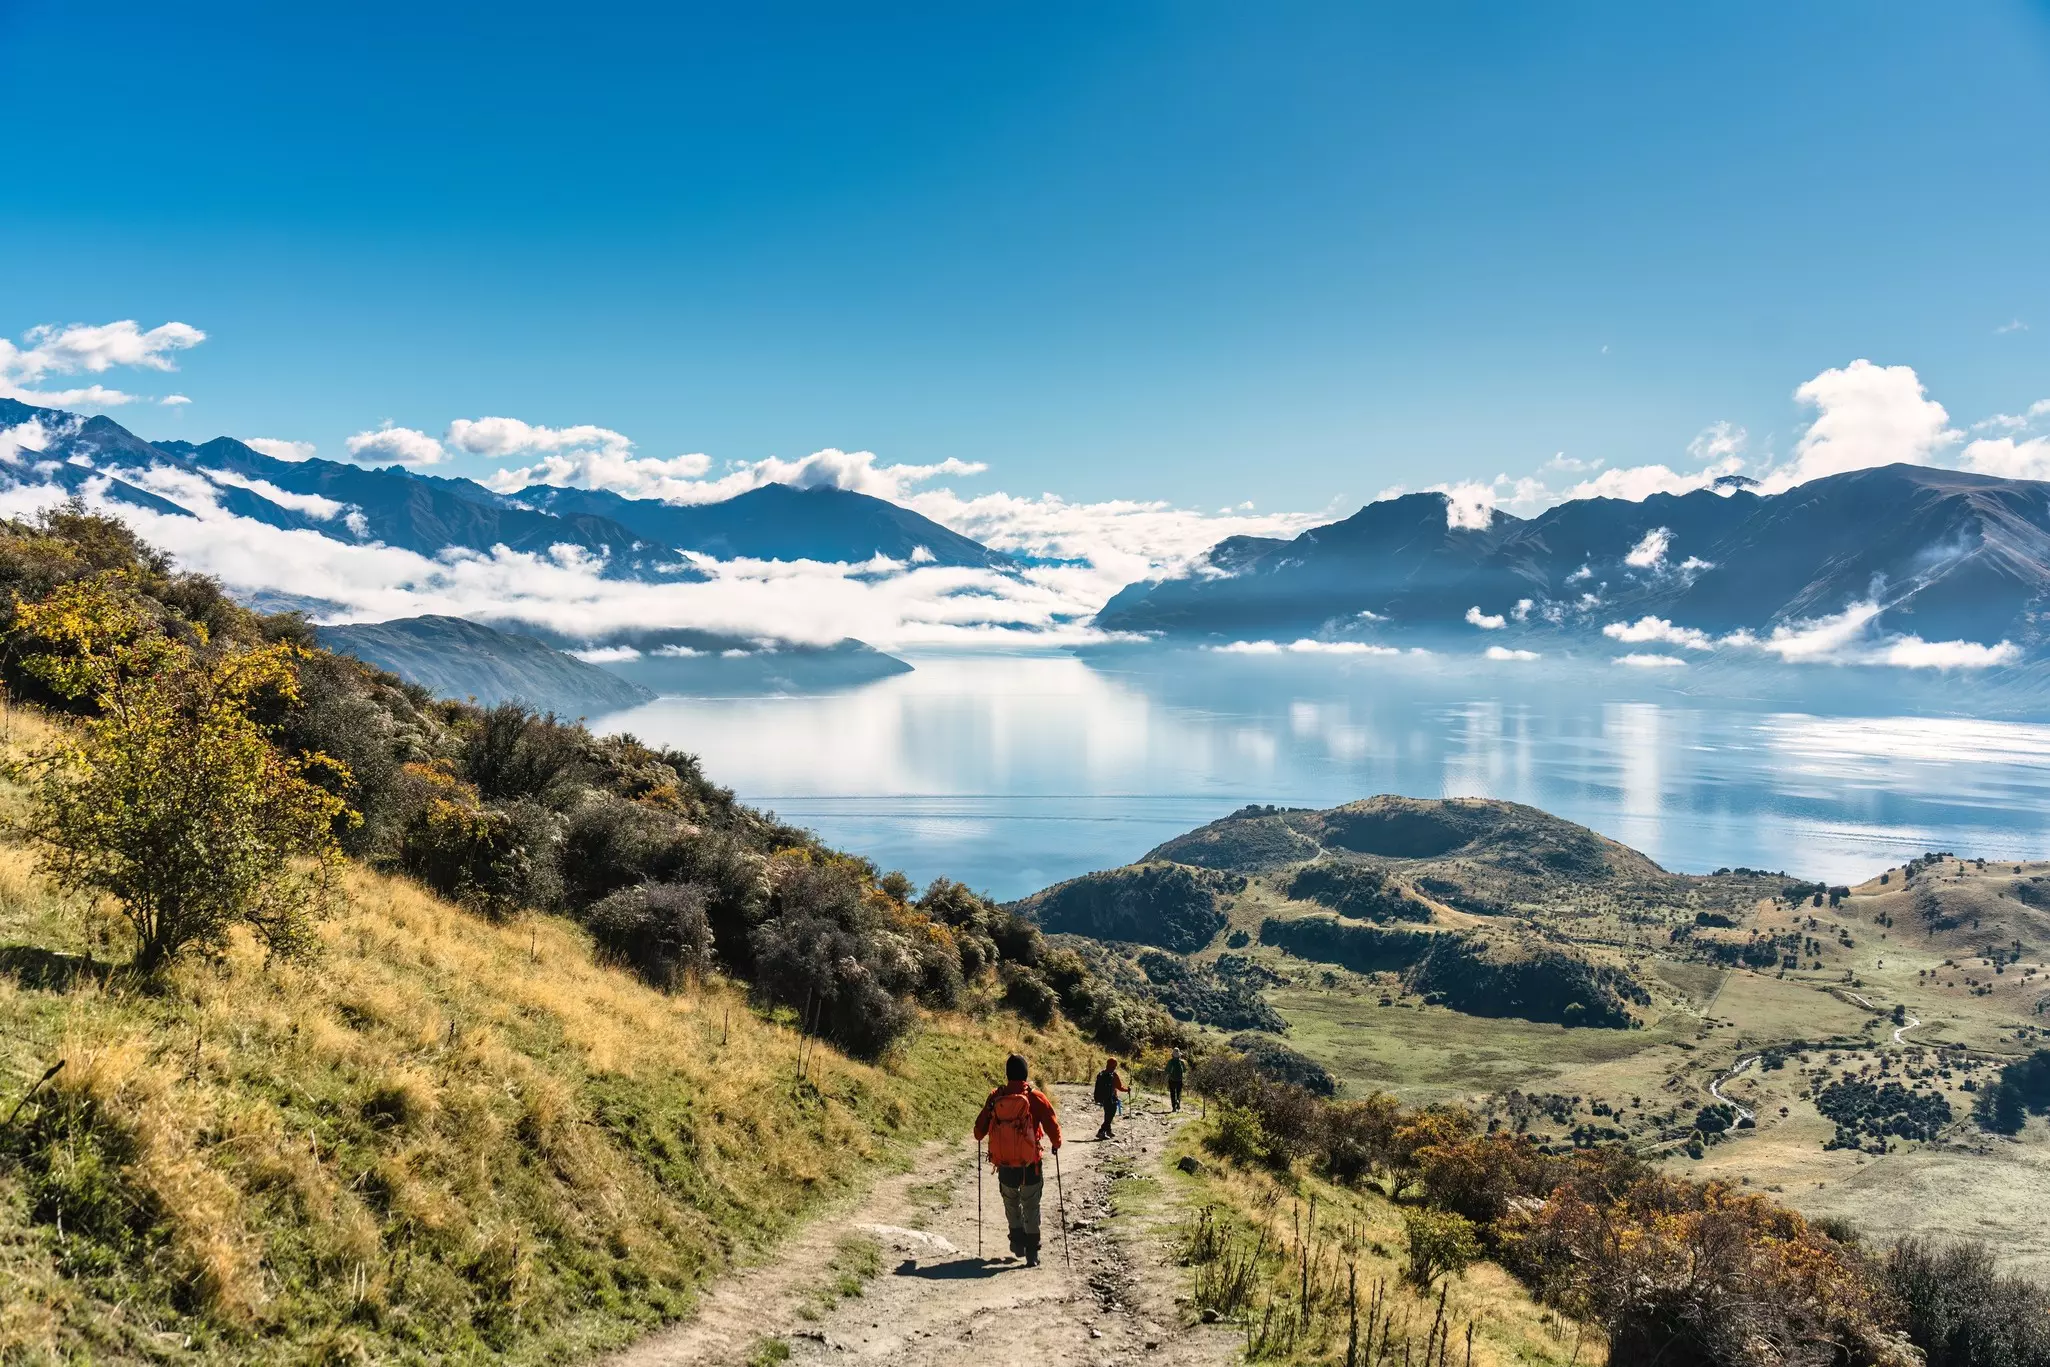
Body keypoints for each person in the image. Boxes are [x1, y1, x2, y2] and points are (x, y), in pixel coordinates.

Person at [973, 1053, 1062, 1266]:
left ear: (1007, 1074)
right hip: (1031, 1164)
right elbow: (1052, 1125)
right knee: (1031, 1205)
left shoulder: (996, 1096)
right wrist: (1056, 1144)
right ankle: (1032, 1252)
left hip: (1004, 1164)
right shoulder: (1035, 1097)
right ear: (1026, 1073)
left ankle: (1017, 1241)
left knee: (1011, 1203)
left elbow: (978, 1132)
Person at [1093, 1056, 1129, 1139]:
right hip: (1112, 1098)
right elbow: (1120, 1087)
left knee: (1107, 1115)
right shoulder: (1113, 1075)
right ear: (1114, 1065)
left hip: (1103, 1098)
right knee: (1110, 1116)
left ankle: (1108, 1131)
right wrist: (1127, 1090)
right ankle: (1101, 1131)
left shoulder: (1101, 1074)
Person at [1165, 1047, 1187, 1112]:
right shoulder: (1182, 1062)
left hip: (1172, 1080)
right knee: (1178, 1092)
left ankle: (1173, 1107)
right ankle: (1178, 1102)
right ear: (1179, 1055)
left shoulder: (1170, 1061)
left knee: (1172, 1093)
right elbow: (1185, 1071)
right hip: (1179, 1080)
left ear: (1172, 1055)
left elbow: (1167, 1070)